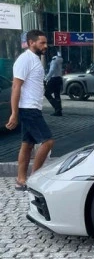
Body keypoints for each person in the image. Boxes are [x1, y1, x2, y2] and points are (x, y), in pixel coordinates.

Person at [5, 30, 55, 190]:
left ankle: (21, 181)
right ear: (31, 42)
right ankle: (35, 178)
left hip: (33, 107)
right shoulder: (25, 59)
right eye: (42, 43)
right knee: (48, 141)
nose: (45, 46)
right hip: (28, 108)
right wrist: (14, 113)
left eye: (46, 43)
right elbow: (16, 86)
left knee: (27, 144)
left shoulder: (34, 59)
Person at [44, 49, 63, 116]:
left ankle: (57, 107)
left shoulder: (54, 60)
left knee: (47, 93)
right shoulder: (60, 59)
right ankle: (58, 111)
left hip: (54, 79)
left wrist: (46, 79)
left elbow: (52, 70)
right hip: (59, 78)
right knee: (57, 95)